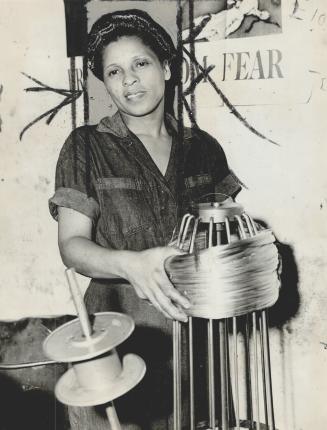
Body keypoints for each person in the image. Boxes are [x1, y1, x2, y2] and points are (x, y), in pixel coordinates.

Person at [49, 8, 241, 429]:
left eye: (140, 63)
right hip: (115, 341)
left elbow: (224, 238)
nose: (129, 79)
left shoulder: (204, 149)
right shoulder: (85, 147)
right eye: (113, 72)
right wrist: (130, 264)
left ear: (167, 67)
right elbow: (72, 246)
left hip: (197, 340)